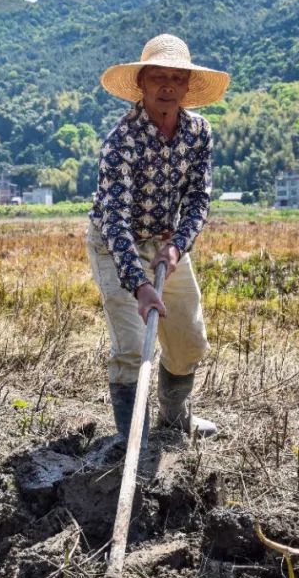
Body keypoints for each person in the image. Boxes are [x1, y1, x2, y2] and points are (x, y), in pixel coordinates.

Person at [87, 34, 230, 439]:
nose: (167, 86)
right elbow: (114, 221)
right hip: (118, 246)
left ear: (187, 87)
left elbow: (199, 199)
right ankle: (134, 439)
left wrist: (176, 246)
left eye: (176, 78)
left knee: (187, 340)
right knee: (133, 346)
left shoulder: (198, 133)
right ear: (143, 84)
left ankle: (174, 416)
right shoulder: (121, 141)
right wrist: (140, 286)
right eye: (158, 77)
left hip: (168, 243)